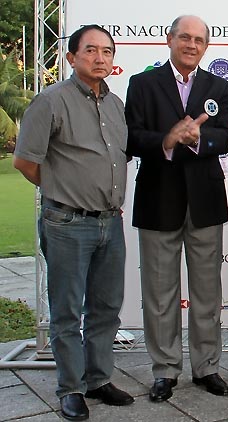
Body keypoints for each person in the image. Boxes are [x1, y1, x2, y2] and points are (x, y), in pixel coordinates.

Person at [13, 25, 134, 420]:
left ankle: (98, 379)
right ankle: (71, 388)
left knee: (105, 308)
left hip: (109, 223)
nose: (100, 58)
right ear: (71, 57)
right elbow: (26, 162)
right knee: (66, 310)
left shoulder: (115, 105)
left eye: (107, 51)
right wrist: (64, 192)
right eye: (91, 51)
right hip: (67, 222)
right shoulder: (50, 101)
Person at [124, 15, 228, 402]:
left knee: (207, 292)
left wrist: (196, 138)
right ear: (169, 39)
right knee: (159, 294)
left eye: (198, 40)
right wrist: (167, 139)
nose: (191, 44)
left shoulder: (218, 86)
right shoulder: (142, 84)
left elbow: (226, 136)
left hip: (204, 203)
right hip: (158, 200)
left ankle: (207, 368)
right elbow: (133, 136)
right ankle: (165, 370)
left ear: (206, 47)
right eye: (184, 37)